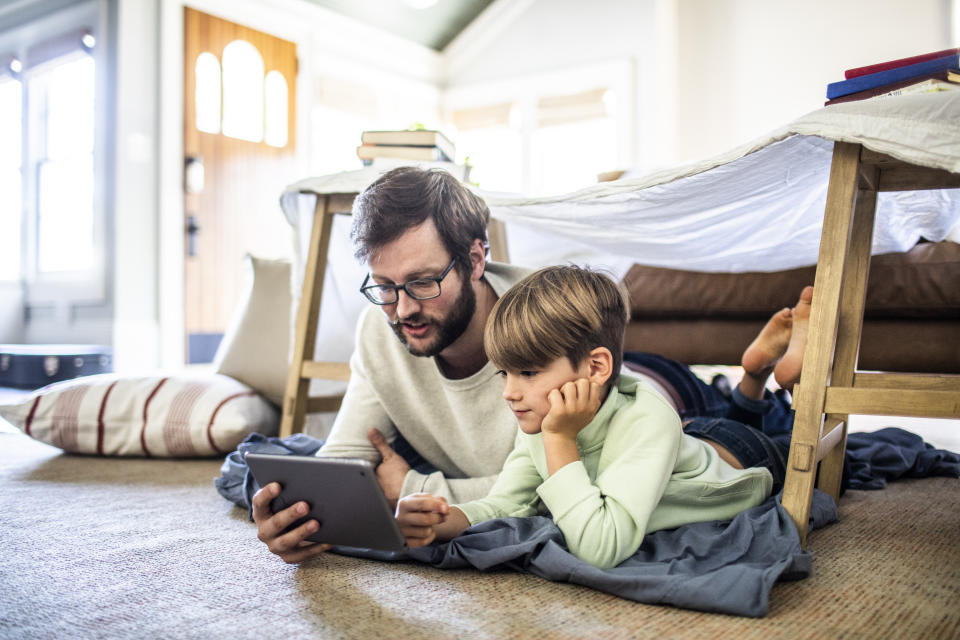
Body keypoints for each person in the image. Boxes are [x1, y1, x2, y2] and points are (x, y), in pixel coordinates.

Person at [394, 265, 781, 569]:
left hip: (739, 454)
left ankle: (755, 377)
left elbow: (601, 547)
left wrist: (560, 441)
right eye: (504, 373)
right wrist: (443, 520)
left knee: (789, 439)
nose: (510, 393)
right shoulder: (539, 419)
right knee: (685, 436)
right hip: (680, 439)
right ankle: (753, 378)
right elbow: (504, 507)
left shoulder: (642, 421)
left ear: (595, 367)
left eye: (528, 373)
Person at [253, 167, 532, 563]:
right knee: (257, 471)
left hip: (623, 388)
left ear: (474, 260)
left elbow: (556, 485)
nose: (403, 311)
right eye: (384, 286)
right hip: (453, 463)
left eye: (422, 282)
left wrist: (410, 487)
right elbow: (343, 460)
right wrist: (304, 517)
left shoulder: (544, 323)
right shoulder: (379, 328)